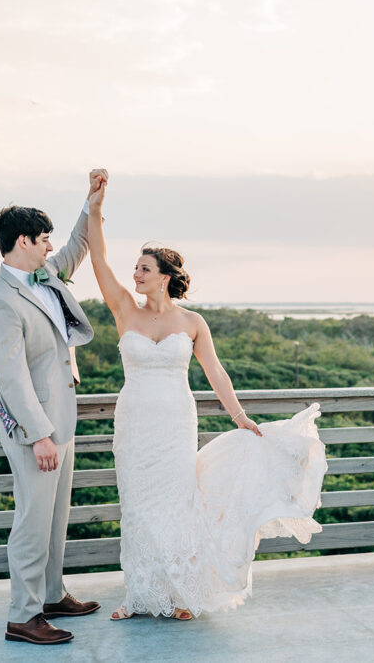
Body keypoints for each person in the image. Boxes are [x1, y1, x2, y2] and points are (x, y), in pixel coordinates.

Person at [85, 173, 327, 621]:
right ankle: (140, 595)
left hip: (176, 422)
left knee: (177, 502)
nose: (135, 274)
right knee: (137, 505)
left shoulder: (192, 321)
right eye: (135, 268)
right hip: (135, 421)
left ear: (164, 278)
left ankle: (180, 594)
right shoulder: (124, 310)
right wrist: (94, 206)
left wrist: (239, 416)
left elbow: (215, 371)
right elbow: (97, 258)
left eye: (144, 269)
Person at [0, 169, 108, 645]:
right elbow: (12, 380)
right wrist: (40, 435)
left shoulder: (46, 273)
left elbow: (78, 244)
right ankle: (23, 615)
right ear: (22, 240)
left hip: (62, 418)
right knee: (33, 520)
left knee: (56, 517)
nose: (51, 246)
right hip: (34, 429)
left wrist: (90, 202)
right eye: (43, 239)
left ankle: (52, 595)